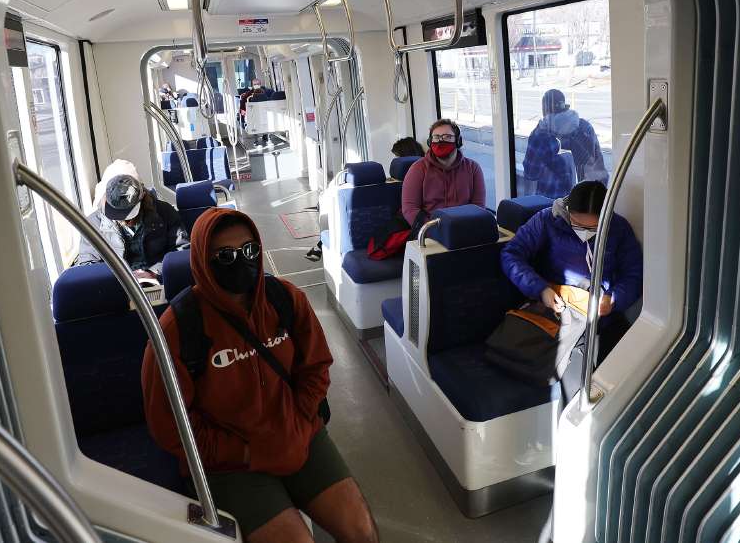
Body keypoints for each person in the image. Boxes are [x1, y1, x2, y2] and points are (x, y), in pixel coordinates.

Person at [142, 209, 379, 543]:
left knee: (362, 531)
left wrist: (298, 422)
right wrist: (244, 453)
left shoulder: (285, 299)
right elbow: (171, 427)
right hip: (233, 463)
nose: (242, 261)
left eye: (250, 250)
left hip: (297, 433)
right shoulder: (177, 330)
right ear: (203, 262)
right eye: (226, 256)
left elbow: (316, 367)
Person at [499, 179, 642, 402]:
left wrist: (613, 299)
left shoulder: (619, 229)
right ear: (568, 212)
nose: (584, 233)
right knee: (573, 383)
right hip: (559, 310)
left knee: (625, 377)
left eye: (592, 228)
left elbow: (633, 274)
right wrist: (541, 289)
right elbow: (511, 255)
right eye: (578, 224)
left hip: (602, 315)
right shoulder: (547, 221)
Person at [73, 170, 186, 280]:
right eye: (117, 214)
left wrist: (156, 273)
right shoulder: (93, 225)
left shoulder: (164, 212)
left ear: (142, 199)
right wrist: (114, 279)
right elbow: (87, 265)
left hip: (159, 277)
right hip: (116, 283)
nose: (124, 220)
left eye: (130, 215)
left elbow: (182, 250)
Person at [400, 119, 487, 226]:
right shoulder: (418, 169)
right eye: (436, 137)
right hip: (430, 231)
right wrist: (436, 231)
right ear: (430, 142)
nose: (440, 141)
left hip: (465, 228)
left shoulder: (473, 168)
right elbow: (410, 209)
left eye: (447, 137)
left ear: (458, 141)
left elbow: (478, 207)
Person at [522, 89, 609, 191]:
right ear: (565, 106)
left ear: (544, 110)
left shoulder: (541, 135)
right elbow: (600, 168)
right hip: (585, 199)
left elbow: (531, 173)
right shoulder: (585, 127)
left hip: (551, 203)